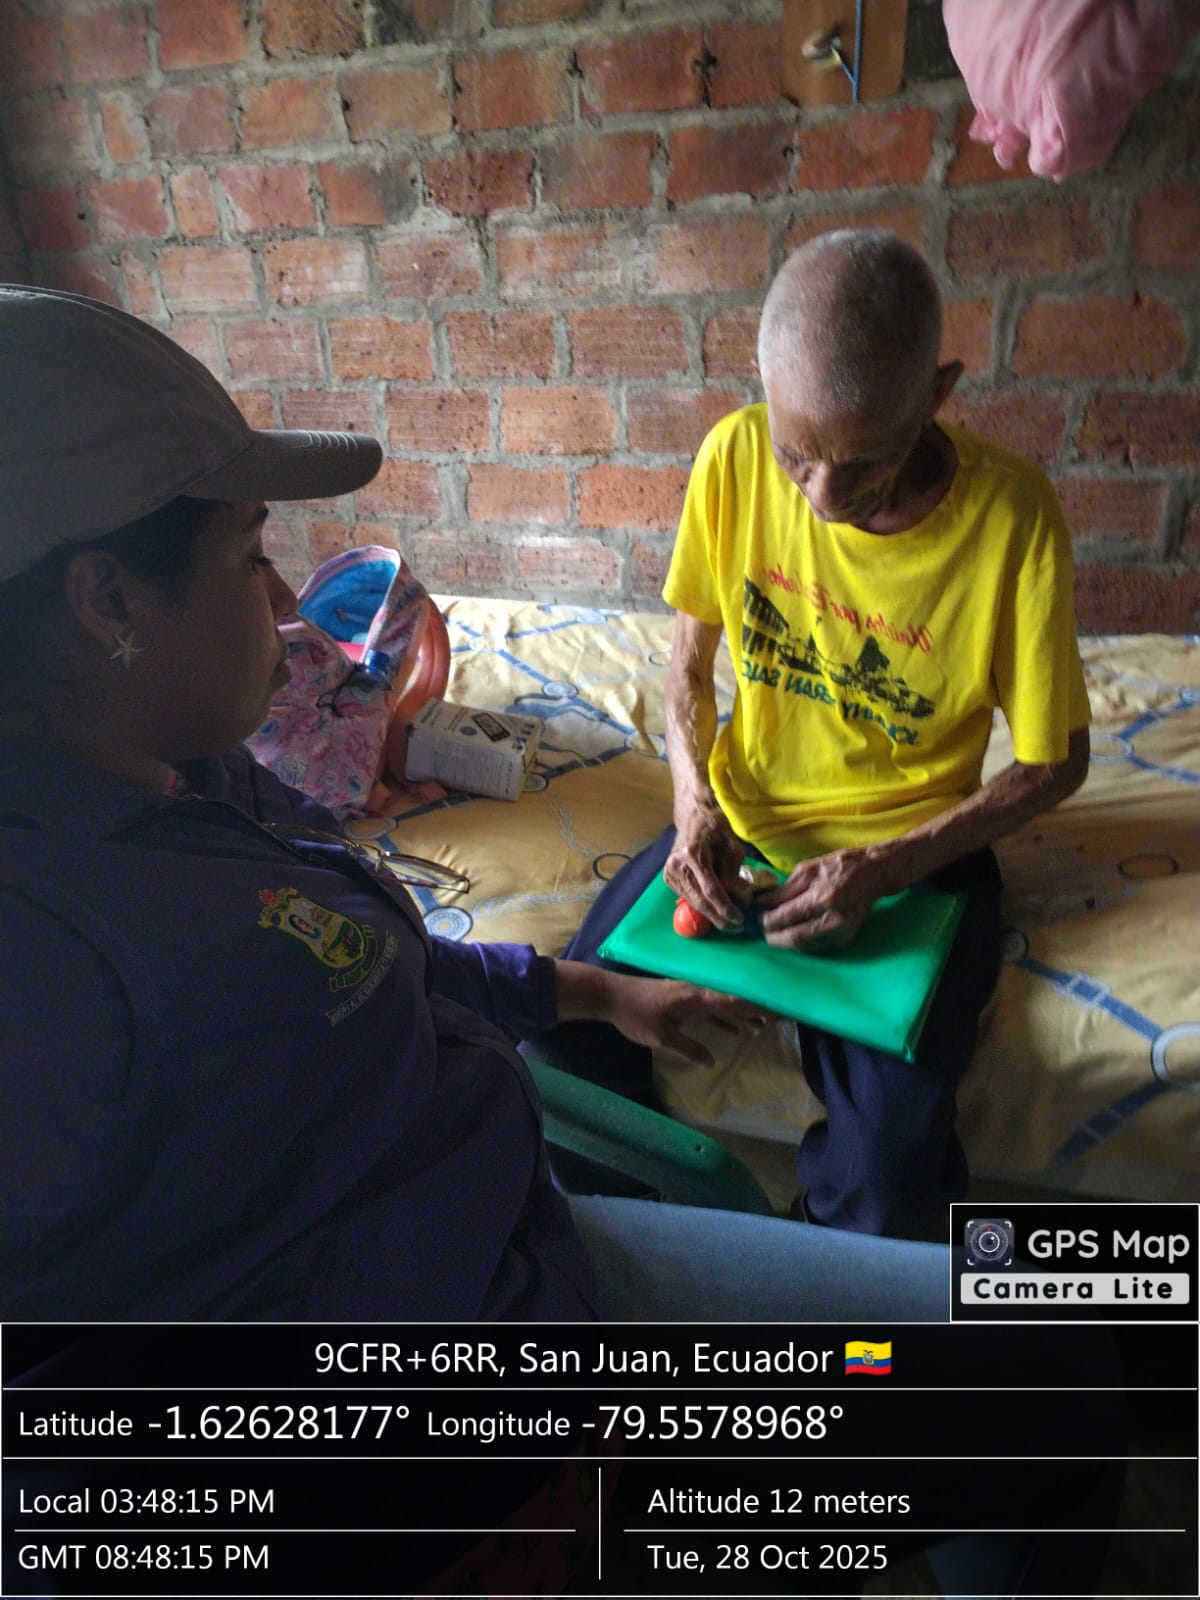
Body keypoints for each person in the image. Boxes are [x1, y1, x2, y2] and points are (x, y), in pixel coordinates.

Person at [0, 285, 1123, 1600]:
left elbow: (354, 956)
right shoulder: (45, 954)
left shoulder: (185, 772)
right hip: (483, 1441)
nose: (294, 602)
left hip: (526, 1252)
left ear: (937, 397)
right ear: (107, 601)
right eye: (253, 553)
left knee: (1012, 1316)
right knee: (1037, 1383)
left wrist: (585, 989)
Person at [534, 230, 1092, 1241]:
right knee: (565, 1050)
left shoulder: (1012, 519)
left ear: (940, 392)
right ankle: (657, 1252)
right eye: (798, 454)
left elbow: (1056, 762)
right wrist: (694, 805)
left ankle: (827, 1301)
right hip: (744, 828)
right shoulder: (733, 455)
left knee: (890, 1177)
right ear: (765, 390)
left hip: (915, 860)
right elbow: (685, 670)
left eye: (865, 460)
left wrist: (882, 866)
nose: (823, 496)